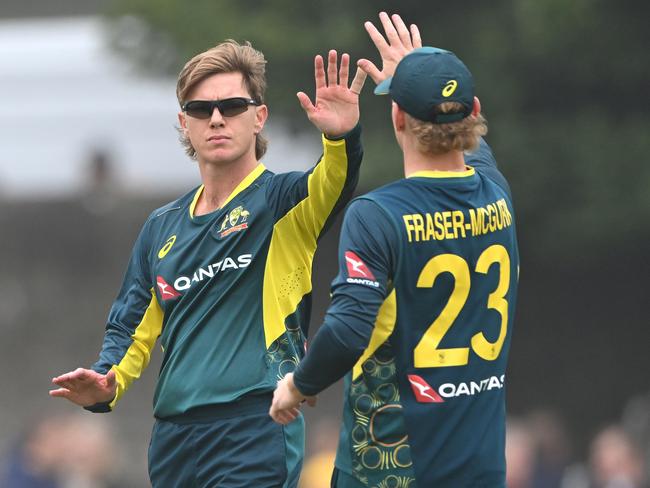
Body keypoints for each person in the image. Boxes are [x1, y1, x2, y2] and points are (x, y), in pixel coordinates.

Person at [50, 39, 366, 488]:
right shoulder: (161, 226)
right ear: (185, 123)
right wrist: (107, 382)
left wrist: (340, 138)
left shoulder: (283, 202)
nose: (216, 118)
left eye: (232, 105)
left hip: (256, 423)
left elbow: (333, 181)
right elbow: (130, 326)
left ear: (259, 116)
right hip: (174, 437)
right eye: (201, 109)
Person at [271, 12, 520, 488]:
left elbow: (346, 332)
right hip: (482, 467)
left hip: (392, 468)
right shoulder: (496, 195)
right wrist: (422, 73)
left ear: (398, 116)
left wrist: (297, 385)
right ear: (474, 112)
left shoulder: (377, 215)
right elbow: (474, 146)